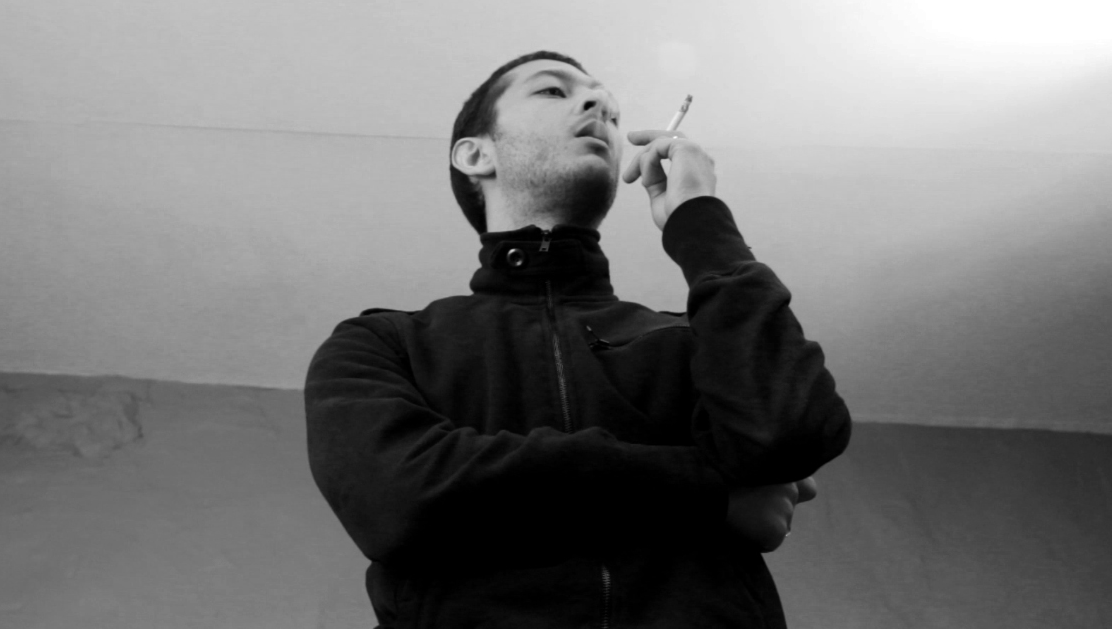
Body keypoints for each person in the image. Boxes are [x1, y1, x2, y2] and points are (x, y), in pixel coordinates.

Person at [305, 50, 852, 628]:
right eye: (553, 90)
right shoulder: (383, 343)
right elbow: (398, 497)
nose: (599, 105)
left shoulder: (695, 340)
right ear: (475, 154)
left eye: (611, 112)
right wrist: (713, 492)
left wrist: (701, 221)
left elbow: (790, 435)